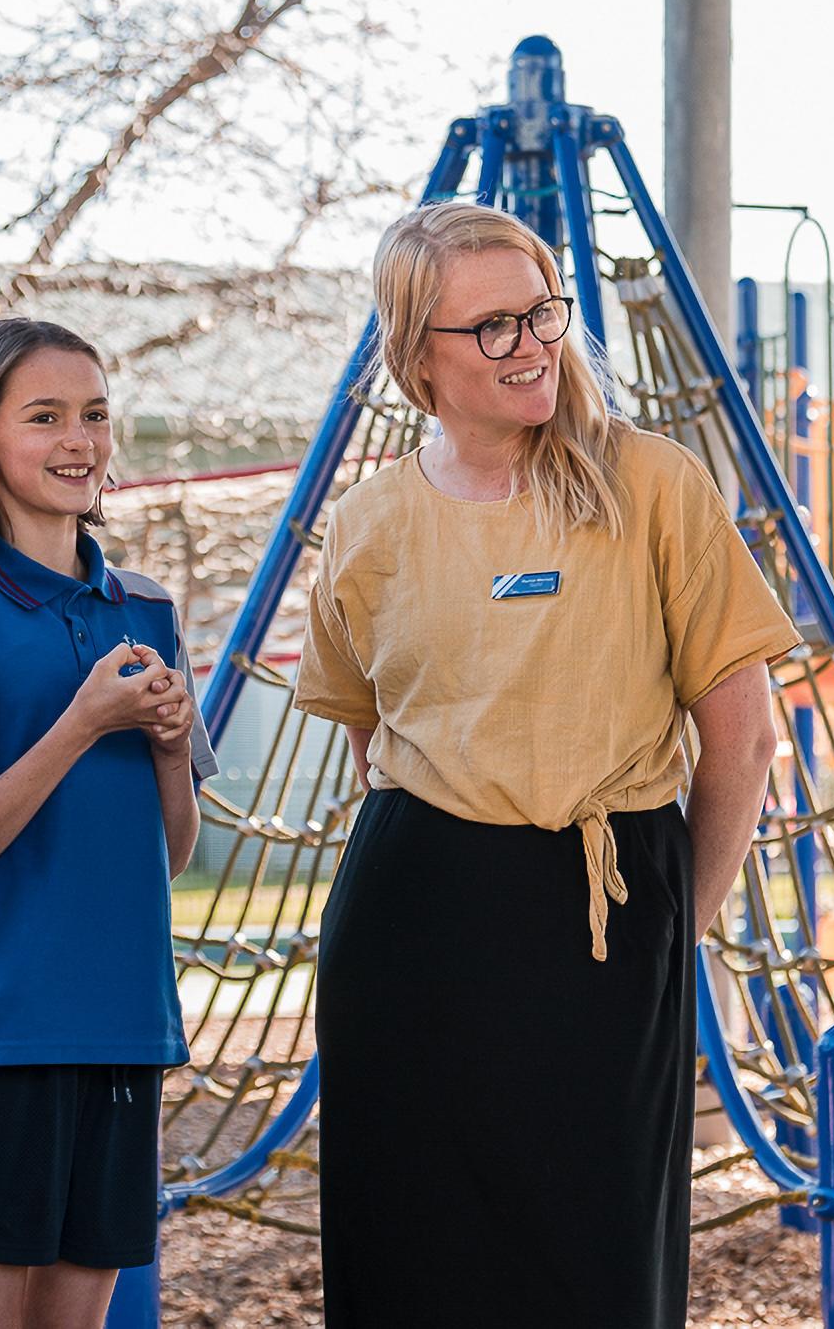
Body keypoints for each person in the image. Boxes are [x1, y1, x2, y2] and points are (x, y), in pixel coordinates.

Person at [294, 200, 800, 1329]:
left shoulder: (654, 484)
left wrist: (680, 917)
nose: (532, 344)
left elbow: (745, 735)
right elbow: (369, 737)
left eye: (542, 313)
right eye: (492, 327)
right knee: (412, 1250)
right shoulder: (368, 523)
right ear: (415, 355)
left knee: (597, 1263)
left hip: (604, 910)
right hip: (411, 922)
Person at [0, 318, 216, 1329]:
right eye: (47, 417)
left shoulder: (147, 610)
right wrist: (81, 725)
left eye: (97, 415)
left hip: (123, 1026)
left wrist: (163, 748)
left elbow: (174, 854)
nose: (82, 441)